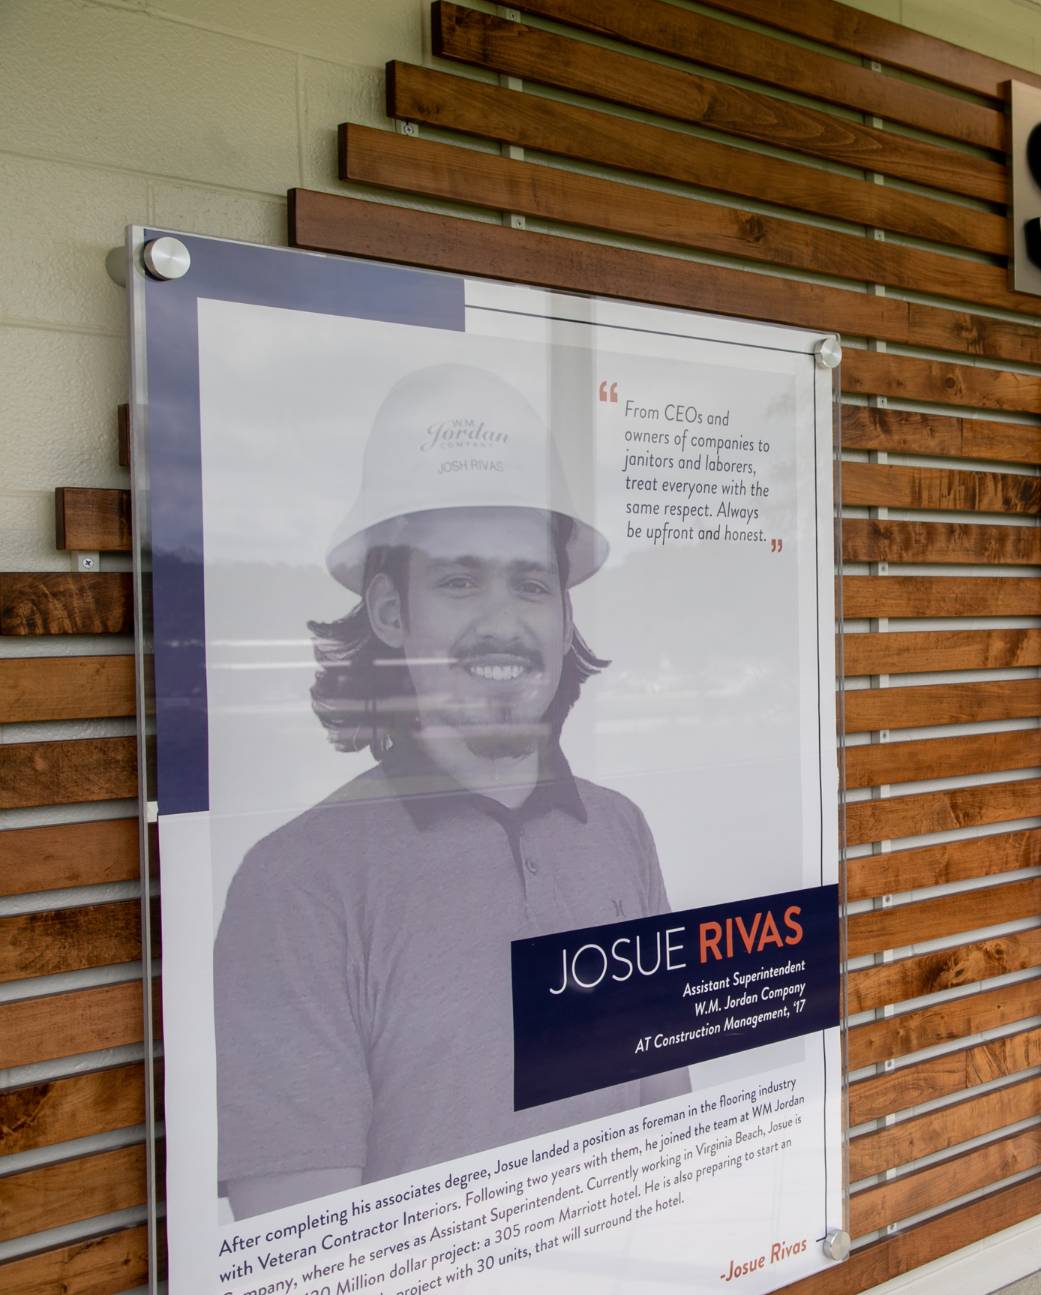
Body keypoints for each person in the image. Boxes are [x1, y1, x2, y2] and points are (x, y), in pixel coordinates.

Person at [213, 365, 687, 1218]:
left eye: (531, 583)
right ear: (392, 613)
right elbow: (305, 1245)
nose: (502, 621)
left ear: (564, 616)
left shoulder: (620, 830)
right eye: (460, 581)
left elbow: (668, 1137)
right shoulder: (294, 885)